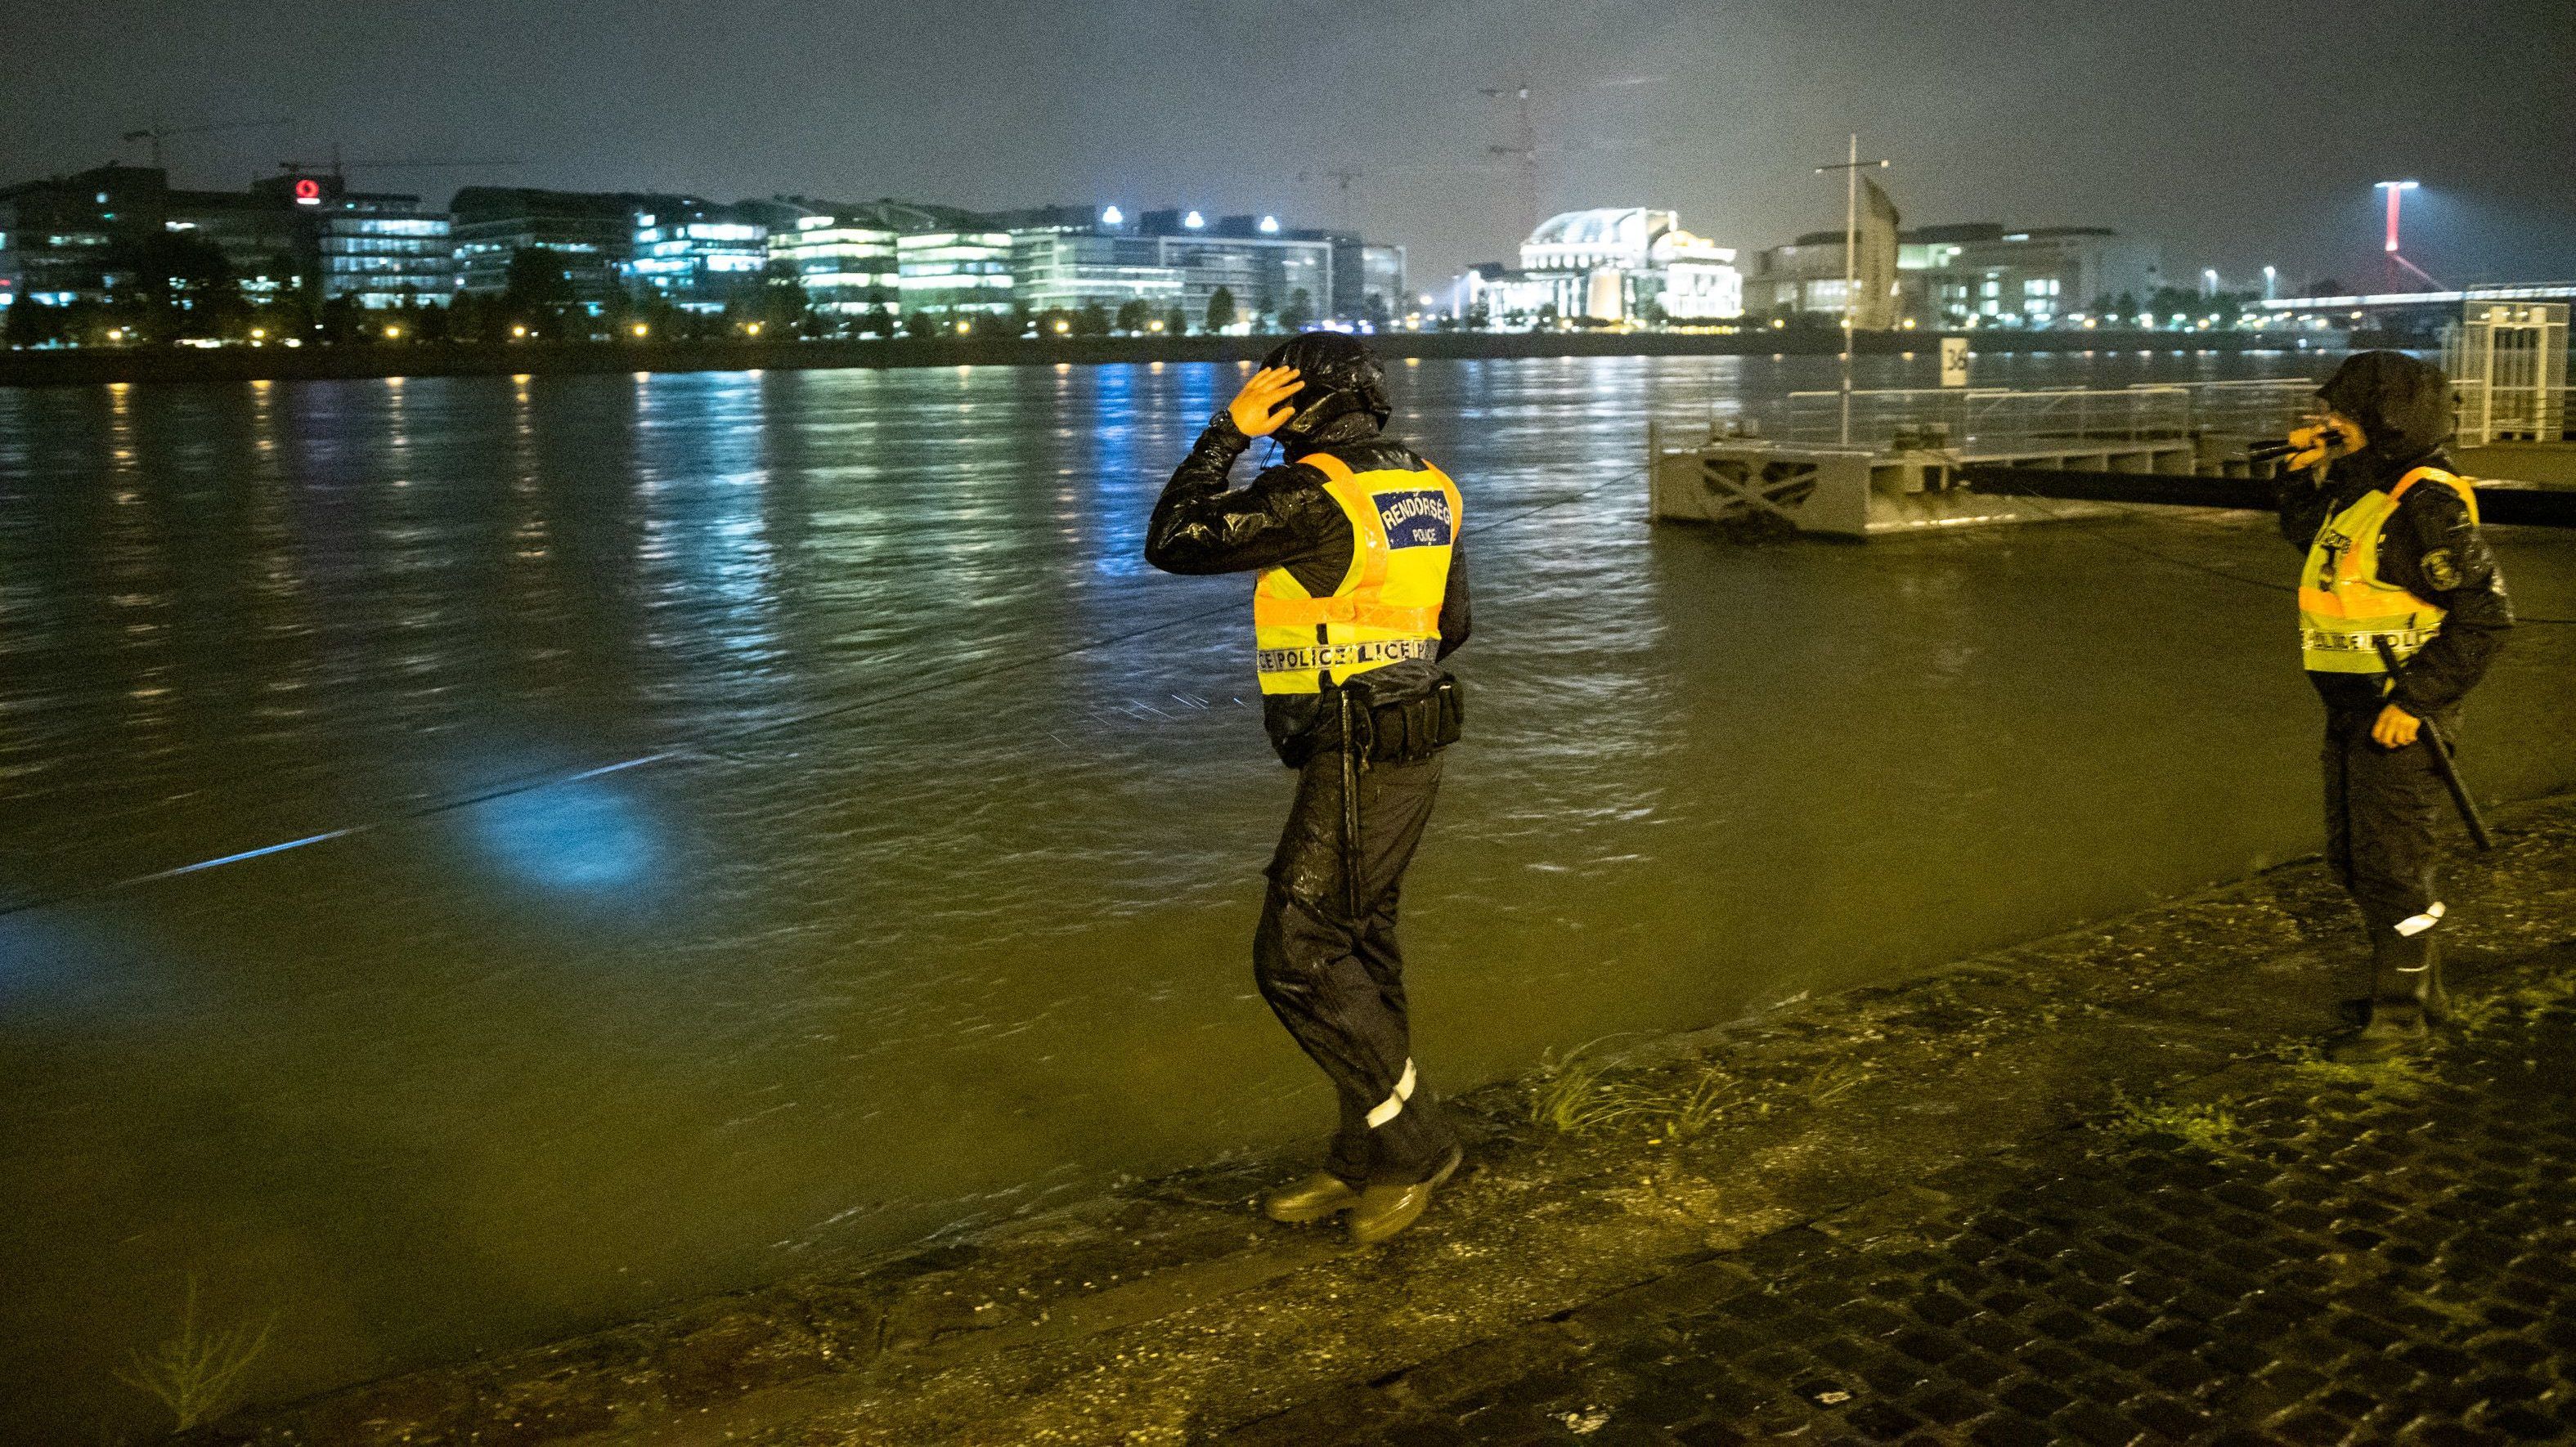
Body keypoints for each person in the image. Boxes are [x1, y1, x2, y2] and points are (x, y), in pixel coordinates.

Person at [1143, 333, 1470, 1245]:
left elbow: (1173, 541)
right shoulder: (1428, 486)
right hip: (1408, 739)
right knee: (1359, 950)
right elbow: (1455, 621)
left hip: (1360, 746)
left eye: (1270, 399)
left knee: (1295, 952)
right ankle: (1363, 1153)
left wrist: (1226, 432)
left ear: (1294, 405)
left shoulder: (1312, 491)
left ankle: (1415, 1146)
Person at [2278, 351, 2513, 1060]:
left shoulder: (2425, 500)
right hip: (2352, 709)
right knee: (2355, 860)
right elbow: (2312, 540)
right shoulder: (2368, 487)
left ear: (2385, 419)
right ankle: (2419, 991)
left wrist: (2415, 701)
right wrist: (2297, 475)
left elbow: (2487, 616)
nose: (2328, 423)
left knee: (2392, 866)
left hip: (2399, 716)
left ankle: (2400, 1020)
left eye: (2342, 414)